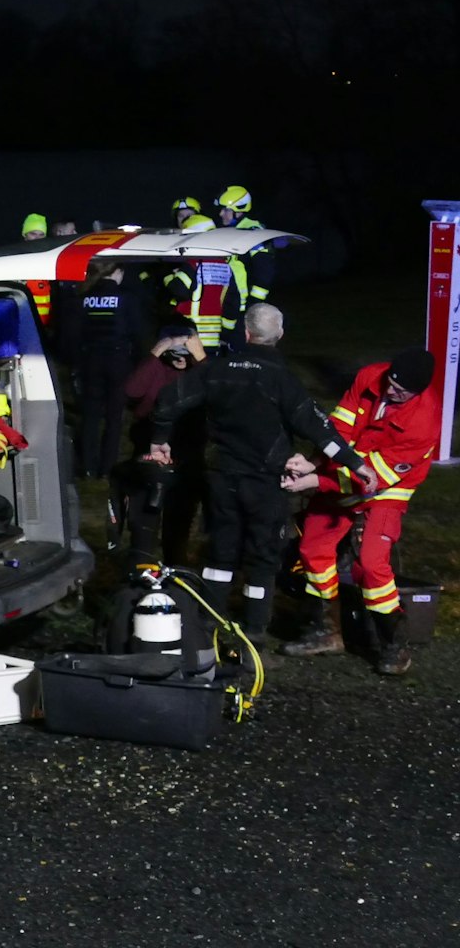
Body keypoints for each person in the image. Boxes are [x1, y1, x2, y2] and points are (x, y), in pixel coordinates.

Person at [148, 303, 374, 638]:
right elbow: (318, 429)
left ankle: (209, 624)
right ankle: (253, 631)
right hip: (265, 484)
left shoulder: (217, 369)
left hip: (221, 478)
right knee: (263, 557)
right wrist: (355, 463)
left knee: (221, 551)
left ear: (245, 332)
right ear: (279, 335)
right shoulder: (282, 379)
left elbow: (169, 399)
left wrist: (160, 440)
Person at [281, 349, 439, 673]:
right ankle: (326, 632)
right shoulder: (371, 376)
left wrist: (314, 479)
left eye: (401, 390)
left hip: (387, 490)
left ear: (418, 391)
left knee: (371, 564)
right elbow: (337, 428)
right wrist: (314, 461)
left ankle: (394, 647)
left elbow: (376, 479)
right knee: (313, 547)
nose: (391, 390)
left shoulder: (424, 421)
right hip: (343, 472)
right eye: (391, 381)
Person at [108, 324, 206, 565]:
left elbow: (222, 394)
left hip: (187, 459)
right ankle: (141, 569)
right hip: (148, 456)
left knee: (177, 528)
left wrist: (201, 358)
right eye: (176, 354)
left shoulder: (201, 372)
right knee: (143, 525)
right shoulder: (156, 368)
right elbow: (130, 391)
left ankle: (176, 573)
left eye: (186, 353)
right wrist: (155, 354)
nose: (181, 361)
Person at [59, 260, 150, 478]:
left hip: (90, 360)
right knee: (114, 417)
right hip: (119, 361)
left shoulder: (82, 298)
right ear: (117, 272)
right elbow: (139, 334)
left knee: (90, 416)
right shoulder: (127, 298)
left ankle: (89, 466)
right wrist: (140, 363)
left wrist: (75, 362)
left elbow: (72, 335)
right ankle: (107, 468)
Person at [163, 251, 247, 353]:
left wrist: (168, 277)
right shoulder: (226, 268)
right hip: (212, 340)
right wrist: (225, 331)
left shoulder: (192, 265)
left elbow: (179, 291)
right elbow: (232, 304)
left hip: (186, 337)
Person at [213, 185, 277, 304]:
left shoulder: (253, 231)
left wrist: (254, 302)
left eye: (226, 210)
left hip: (243, 304)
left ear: (239, 211)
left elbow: (264, 269)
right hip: (228, 302)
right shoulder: (229, 231)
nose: (221, 213)